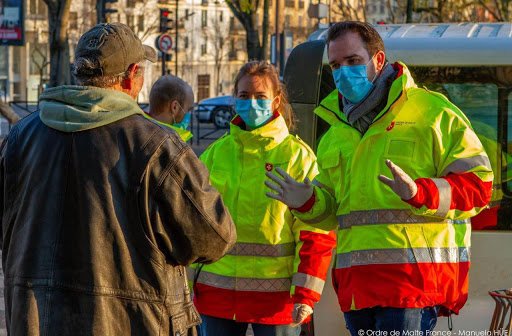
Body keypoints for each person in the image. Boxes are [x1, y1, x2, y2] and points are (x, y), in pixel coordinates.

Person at [0, 22, 236, 335]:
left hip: (35, 320)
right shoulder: (157, 145)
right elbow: (214, 238)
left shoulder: (21, 137)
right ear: (131, 74)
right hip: (133, 322)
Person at [265, 21, 493, 334]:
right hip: (357, 290)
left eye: (353, 61)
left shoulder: (432, 112)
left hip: (411, 286)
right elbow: (335, 212)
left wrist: (420, 193)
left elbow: (479, 187)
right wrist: (307, 202)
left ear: (379, 61)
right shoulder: (336, 133)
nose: (343, 72)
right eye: (335, 64)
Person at [188, 60, 336, 336]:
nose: (251, 103)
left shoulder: (297, 157)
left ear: (276, 101)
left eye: (260, 97)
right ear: (234, 100)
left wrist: (306, 294)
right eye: (244, 96)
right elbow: (193, 221)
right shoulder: (216, 154)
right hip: (216, 296)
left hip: (277, 302)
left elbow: (316, 231)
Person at [146, 75, 194, 142]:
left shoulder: (137, 131)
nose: (189, 114)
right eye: (188, 109)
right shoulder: (170, 144)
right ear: (175, 107)